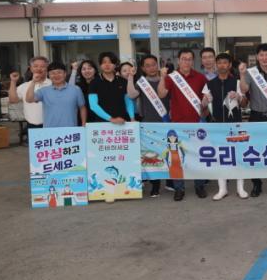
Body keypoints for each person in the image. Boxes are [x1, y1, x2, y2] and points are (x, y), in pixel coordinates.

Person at [158, 48, 209, 201]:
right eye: (183, 59)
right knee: (176, 159)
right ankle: (179, 188)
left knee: (197, 157)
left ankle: (199, 186)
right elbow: (161, 94)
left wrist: (206, 102)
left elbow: (205, 101)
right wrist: (162, 77)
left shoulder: (200, 78)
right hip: (177, 125)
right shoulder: (171, 78)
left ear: (193, 61)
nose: (186, 62)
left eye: (189, 59)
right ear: (178, 60)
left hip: (196, 124)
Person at [238, 43, 267, 197]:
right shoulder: (251, 73)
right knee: (255, 151)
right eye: (262, 55)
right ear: (257, 57)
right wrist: (242, 74)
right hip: (256, 116)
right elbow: (244, 89)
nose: (264, 58)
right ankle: (256, 184)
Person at [202, 53, 248, 200]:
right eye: (219, 63)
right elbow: (203, 109)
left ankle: (240, 188)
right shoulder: (209, 84)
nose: (222, 65)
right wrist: (204, 102)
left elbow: (244, 103)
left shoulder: (237, 82)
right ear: (216, 65)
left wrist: (239, 97)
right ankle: (222, 189)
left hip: (235, 125)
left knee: (238, 157)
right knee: (220, 157)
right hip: (217, 126)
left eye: (225, 62)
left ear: (229, 65)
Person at [126, 54, 171, 197]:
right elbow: (131, 95)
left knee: (169, 153)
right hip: (149, 123)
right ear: (143, 68)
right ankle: (155, 184)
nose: (151, 68)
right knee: (152, 156)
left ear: (158, 65)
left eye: (153, 64)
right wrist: (130, 77)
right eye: (148, 66)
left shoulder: (167, 79)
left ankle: (170, 182)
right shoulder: (141, 82)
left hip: (167, 121)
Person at [27, 61, 87, 128]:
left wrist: (83, 124)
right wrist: (33, 81)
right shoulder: (44, 91)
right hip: (49, 130)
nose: (56, 75)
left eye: (59, 72)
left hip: (70, 130)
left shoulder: (76, 89)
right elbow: (29, 99)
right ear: (48, 75)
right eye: (52, 73)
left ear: (65, 74)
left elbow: (82, 107)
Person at [88, 52, 134, 125]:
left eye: (110, 62)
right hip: (102, 124)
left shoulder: (123, 81)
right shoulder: (94, 82)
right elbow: (93, 106)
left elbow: (128, 102)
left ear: (115, 65)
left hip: (123, 122)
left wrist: (132, 118)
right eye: (104, 62)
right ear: (100, 65)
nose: (107, 65)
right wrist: (111, 119)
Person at [8, 56, 51, 130]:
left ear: (47, 68)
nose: (39, 69)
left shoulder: (53, 84)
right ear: (31, 69)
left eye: (42, 66)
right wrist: (13, 81)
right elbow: (13, 100)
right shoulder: (24, 86)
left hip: (52, 124)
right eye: (35, 66)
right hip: (32, 126)